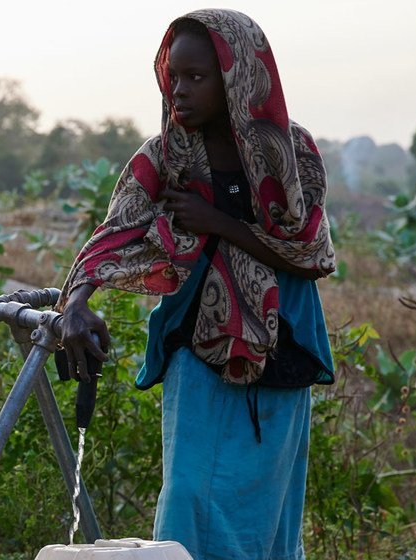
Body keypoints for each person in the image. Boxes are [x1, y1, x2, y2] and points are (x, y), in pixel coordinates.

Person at [57, 9, 337, 560]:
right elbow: (113, 236)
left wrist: (220, 225)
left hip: (285, 341)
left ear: (237, 76)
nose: (178, 90)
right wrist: (75, 304)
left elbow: (309, 251)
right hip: (197, 340)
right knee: (186, 492)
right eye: (172, 76)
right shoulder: (164, 156)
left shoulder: (290, 152)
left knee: (269, 506)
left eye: (196, 77)